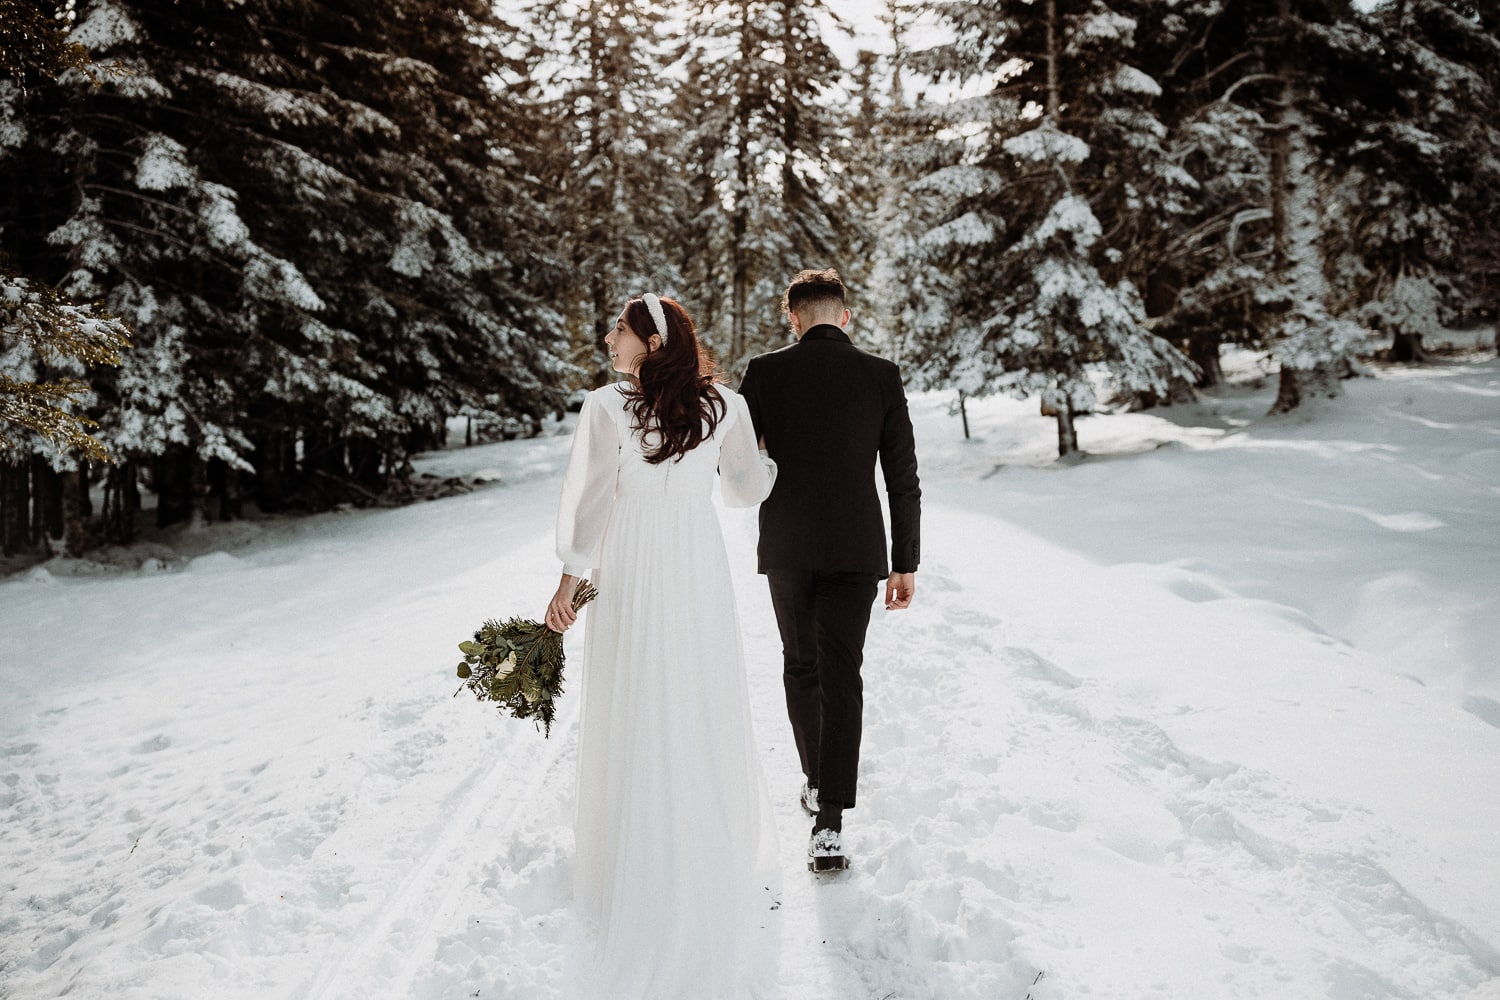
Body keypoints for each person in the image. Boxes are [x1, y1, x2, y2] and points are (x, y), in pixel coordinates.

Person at [545, 293, 779, 998]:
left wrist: (569, 581)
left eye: (619, 330)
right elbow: (744, 492)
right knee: (694, 689)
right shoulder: (726, 406)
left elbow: (590, 500)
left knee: (636, 690)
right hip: (695, 561)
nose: (610, 339)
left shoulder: (605, 408)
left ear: (648, 340)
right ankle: (701, 843)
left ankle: (633, 850)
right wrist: (767, 462)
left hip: (634, 562)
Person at [738, 268, 921, 873]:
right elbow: (902, 479)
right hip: (856, 551)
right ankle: (830, 823)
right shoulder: (880, 375)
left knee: (801, 666)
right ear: (846, 315)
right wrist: (905, 563)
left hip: (787, 546)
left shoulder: (764, 374)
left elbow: (735, 466)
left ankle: (817, 781)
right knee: (843, 674)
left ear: (793, 317)